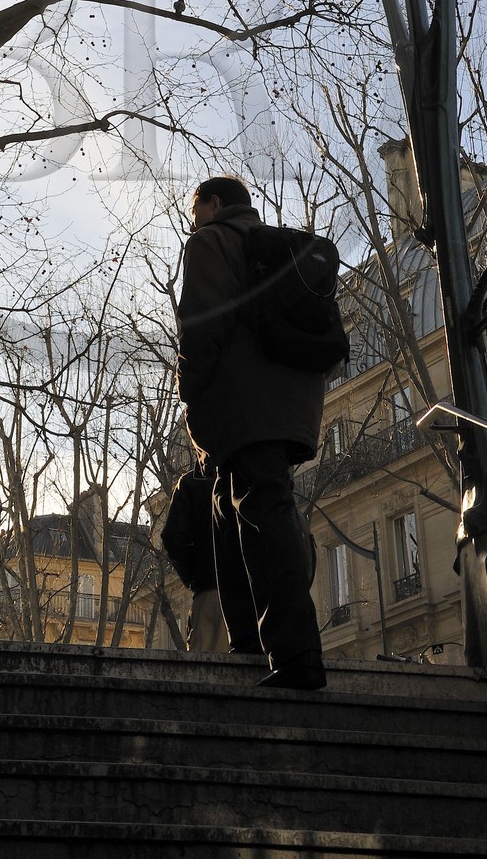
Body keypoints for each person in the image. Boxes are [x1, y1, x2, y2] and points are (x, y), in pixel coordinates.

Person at [175, 175, 327, 690]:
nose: (193, 223)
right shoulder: (278, 248)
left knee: (263, 506)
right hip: (293, 401)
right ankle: (251, 644)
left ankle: (296, 652)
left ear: (214, 205)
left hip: (247, 404)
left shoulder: (213, 241)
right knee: (230, 509)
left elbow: (202, 326)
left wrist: (191, 395)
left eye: (196, 211)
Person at [161, 460, 229, 654]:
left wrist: (194, 577)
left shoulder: (190, 483)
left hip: (210, 591)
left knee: (207, 670)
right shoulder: (251, 476)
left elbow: (173, 538)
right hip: (253, 597)